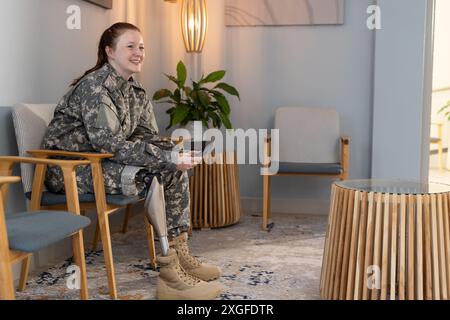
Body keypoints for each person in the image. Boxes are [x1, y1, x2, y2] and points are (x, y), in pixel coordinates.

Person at [41, 22, 222, 300]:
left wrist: (175, 152)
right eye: (130, 46)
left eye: (141, 47)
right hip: (69, 168)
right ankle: (170, 278)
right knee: (150, 176)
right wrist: (165, 158)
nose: (138, 52)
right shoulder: (95, 87)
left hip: (102, 164)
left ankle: (179, 255)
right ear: (109, 51)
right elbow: (107, 142)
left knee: (172, 170)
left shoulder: (135, 91)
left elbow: (146, 136)